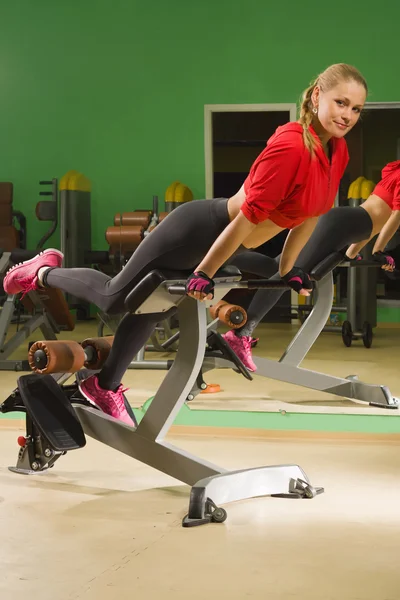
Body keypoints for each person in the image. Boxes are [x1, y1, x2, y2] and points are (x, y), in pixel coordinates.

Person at [4, 63, 367, 425]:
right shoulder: (290, 147)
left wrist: (290, 271)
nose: (348, 115)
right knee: (115, 297)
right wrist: (205, 272)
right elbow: (246, 219)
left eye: (356, 109)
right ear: (317, 96)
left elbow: (309, 217)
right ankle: (44, 271)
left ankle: (104, 385)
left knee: (154, 307)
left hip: (229, 243)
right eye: (341, 102)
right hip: (199, 231)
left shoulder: (337, 151)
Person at [224, 160, 400, 371]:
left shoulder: (395, 171)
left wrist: (352, 254)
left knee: (277, 267)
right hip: (344, 225)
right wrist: (379, 251)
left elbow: (372, 225)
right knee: (287, 278)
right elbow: (394, 216)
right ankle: (240, 334)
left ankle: (212, 259)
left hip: (346, 223)